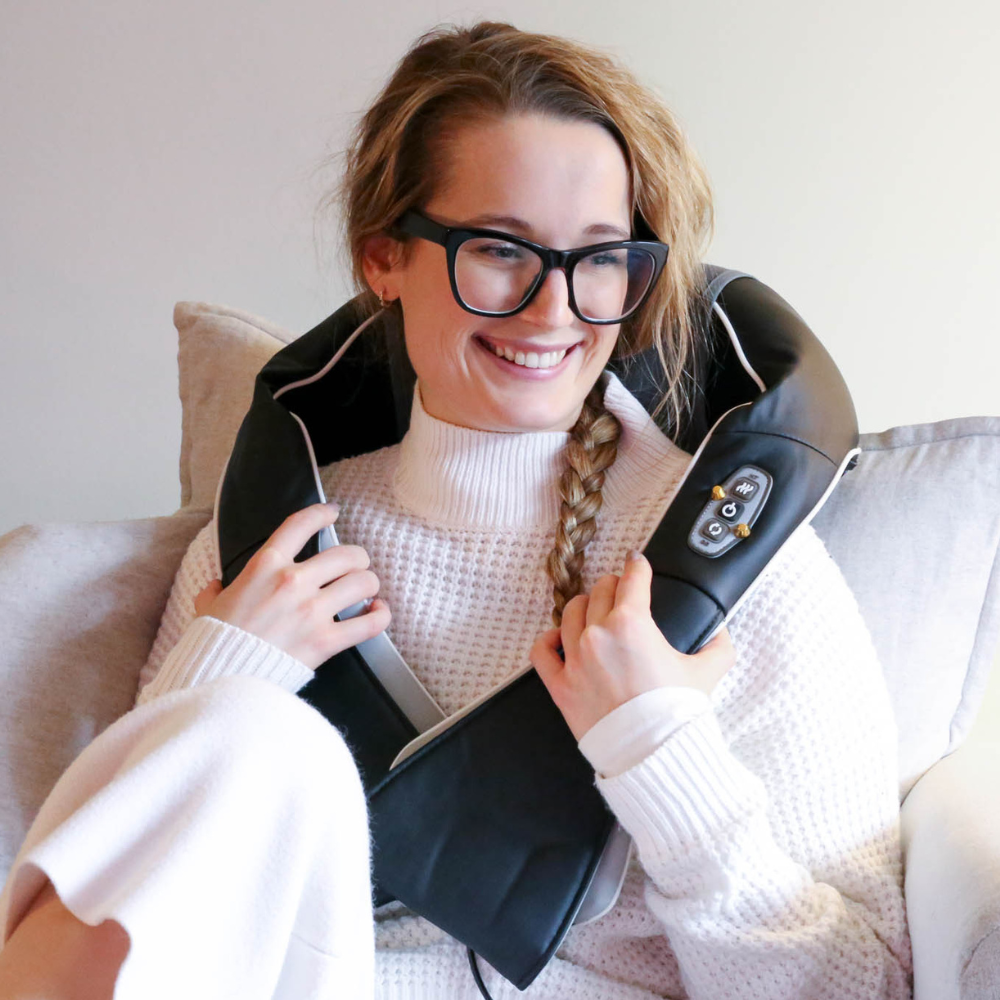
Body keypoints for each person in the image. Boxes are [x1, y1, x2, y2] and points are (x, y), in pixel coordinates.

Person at [0, 20, 913, 1000]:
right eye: (498, 250)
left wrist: (661, 747)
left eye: (598, 259)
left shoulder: (732, 572)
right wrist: (220, 670)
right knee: (259, 736)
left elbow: (861, 988)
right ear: (384, 258)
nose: (551, 309)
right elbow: (149, 904)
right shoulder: (277, 549)